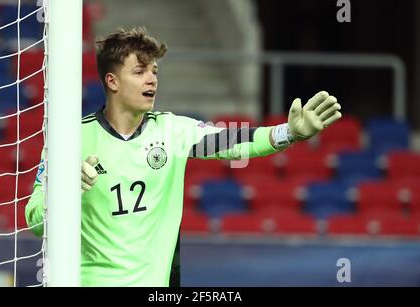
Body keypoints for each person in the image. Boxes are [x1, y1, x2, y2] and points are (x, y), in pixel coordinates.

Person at [25, 27, 342, 287]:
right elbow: (35, 220)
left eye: (154, 71)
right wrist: (64, 191)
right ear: (112, 81)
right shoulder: (69, 139)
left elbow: (235, 143)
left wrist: (290, 132)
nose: (152, 79)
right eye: (140, 71)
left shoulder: (174, 133)